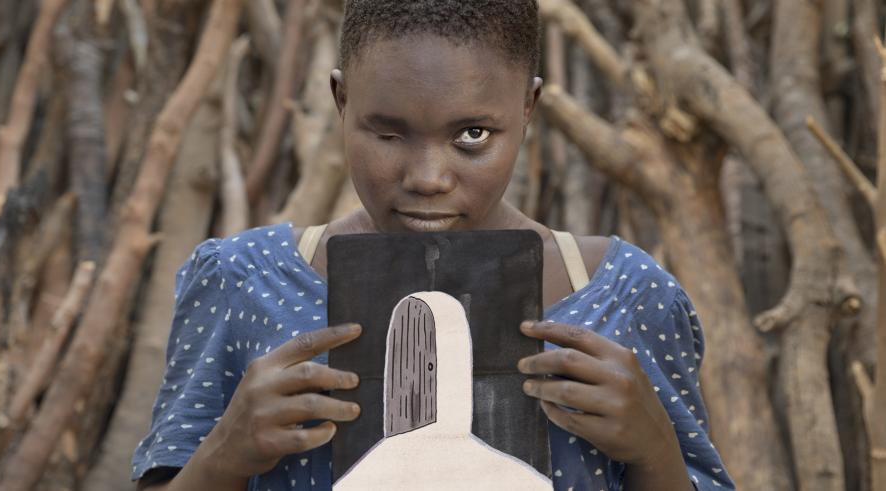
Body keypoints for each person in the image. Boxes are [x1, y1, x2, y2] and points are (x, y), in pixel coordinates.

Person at [132, 1, 735, 490]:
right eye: (388, 132)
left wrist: (656, 452)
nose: (427, 177)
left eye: (472, 135)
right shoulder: (243, 282)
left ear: (528, 106)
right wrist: (221, 458)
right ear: (341, 102)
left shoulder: (626, 297)